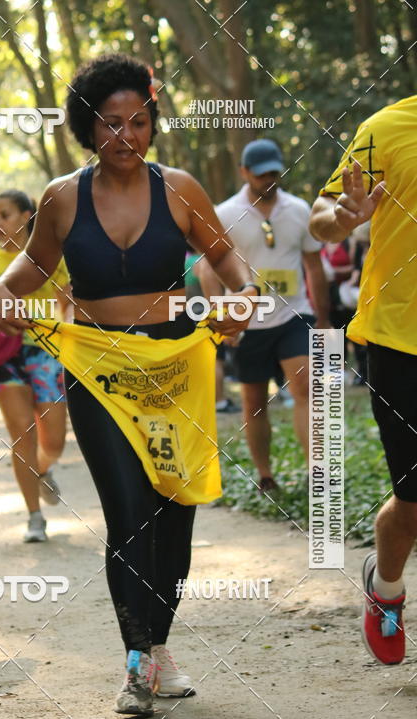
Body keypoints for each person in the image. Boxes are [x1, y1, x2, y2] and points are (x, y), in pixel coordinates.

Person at [0, 54, 260, 716]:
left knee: (174, 510)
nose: (126, 136)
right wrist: (0, 291)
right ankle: (136, 662)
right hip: (98, 370)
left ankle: (160, 647)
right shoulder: (61, 198)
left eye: (138, 122)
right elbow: (28, 270)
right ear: (88, 125)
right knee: (128, 512)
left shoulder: (181, 189)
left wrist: (245, 296)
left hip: (176, 368)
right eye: (111, 123)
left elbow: (227, 257)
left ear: (152, 125)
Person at [309, 95, 416, 666]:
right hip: (401, 339)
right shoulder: (388, 127)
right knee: (414, 504)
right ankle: (387, 587)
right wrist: (344, 218)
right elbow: (321, 216)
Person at [199, 138, 330, 495]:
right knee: (254, 402)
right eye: (260, 174)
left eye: (273, 172)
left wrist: (323, 318)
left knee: (307, 388)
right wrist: (220, 316)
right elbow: (208, 269)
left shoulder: (299, 209)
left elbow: (313, 266)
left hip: (294, 314)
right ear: (244, 172)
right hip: (247, 322)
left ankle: (317, 471)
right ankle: (265, 475)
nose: (268, 179)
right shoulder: (226, 213)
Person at [0, 189, 71, 543]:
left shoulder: (50, 255)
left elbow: (68, 304)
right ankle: (34, 517)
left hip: (46, 353)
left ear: (27, 216)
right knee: (22, 431)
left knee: (54, 441)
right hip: (2, 356)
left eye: (5, 215)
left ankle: (42, 469)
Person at [185, 247, 240, 414]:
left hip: (190, 317)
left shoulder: (186, 262)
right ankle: (219, 401)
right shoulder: (204, 262)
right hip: (209, 317)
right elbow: (213, 294)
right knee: (216, 360)